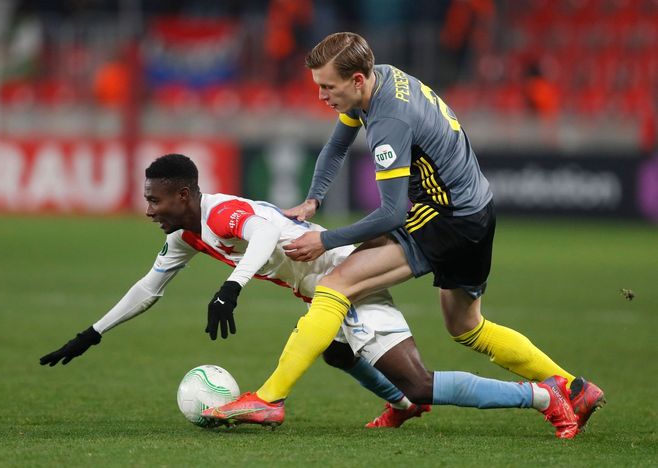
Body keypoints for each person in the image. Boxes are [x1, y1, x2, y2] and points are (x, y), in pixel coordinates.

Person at [202, 32, 605, 435]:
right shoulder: (383, 77)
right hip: (476, 209)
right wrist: (313, 200)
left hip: (446, 219)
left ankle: (269, 398)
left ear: (357, 80)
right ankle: (574, 388)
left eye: (328, 86)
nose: (321, 95)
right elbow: (337, 145)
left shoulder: (389, 119)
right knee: (467, 326)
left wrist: (324, 239)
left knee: (335, 285)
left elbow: (392, 213)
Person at [41, 154, 577, 438]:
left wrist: (232, 286)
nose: (150, 209)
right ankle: (399, 408)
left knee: (420, 382)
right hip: (326, 287)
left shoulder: (219, 212)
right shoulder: (186, 234)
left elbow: (267, 235)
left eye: (155, 200)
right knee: (336, 350)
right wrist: (93, 333)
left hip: (348, 275)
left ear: (183, 194)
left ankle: (544, 397)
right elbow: (148, 288)